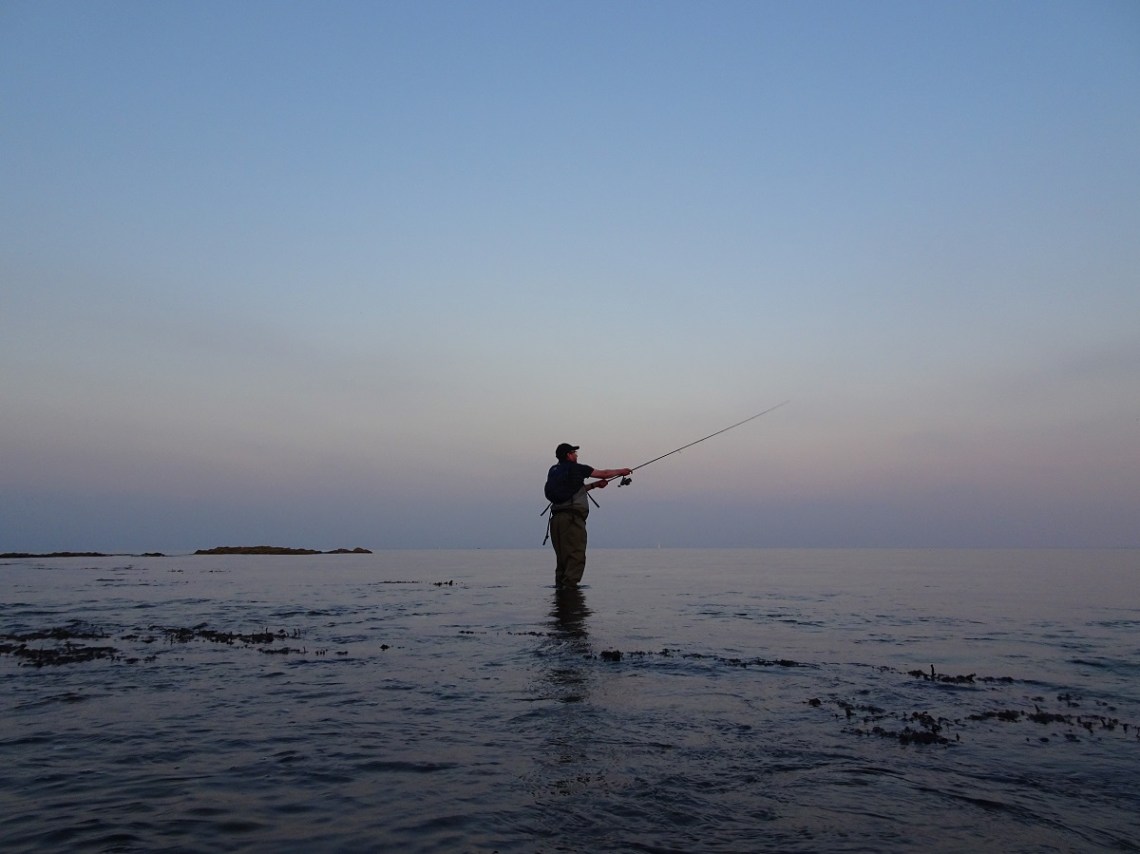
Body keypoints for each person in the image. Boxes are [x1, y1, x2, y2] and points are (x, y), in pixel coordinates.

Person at [546, 443, 632, 589]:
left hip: (556, 520)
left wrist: (595, 485)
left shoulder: (554, 471)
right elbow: (604, 473)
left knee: (562, 559)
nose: (577, 455)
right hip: (572, 520)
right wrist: (622, 471)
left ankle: (561, 598)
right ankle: (571, 598)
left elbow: (572, 492)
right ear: (569, 455)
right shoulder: (577, 468)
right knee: (575, 556)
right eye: (574, 453)